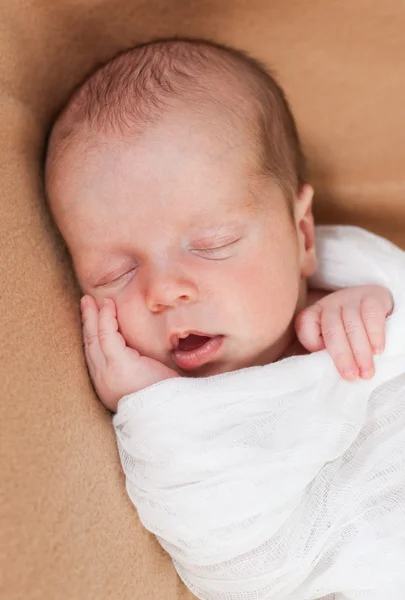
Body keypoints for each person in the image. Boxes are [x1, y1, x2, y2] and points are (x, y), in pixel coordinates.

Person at [44, 38, 392, 413]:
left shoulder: (356, 290)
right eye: (115, 274)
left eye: (212, 244)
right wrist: (154, 408)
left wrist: (381, 306)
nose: (163, 291)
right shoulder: (147, 398)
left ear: (303, 235)